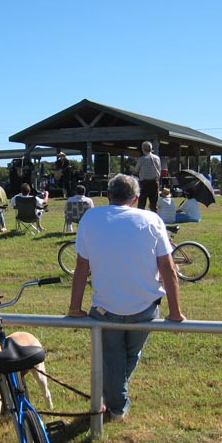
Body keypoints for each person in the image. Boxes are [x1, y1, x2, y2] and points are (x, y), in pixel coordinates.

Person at [67, 174, 185, 422]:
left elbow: (81, 267)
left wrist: (74, 308)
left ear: (108, 195)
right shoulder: (152, 220)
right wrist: (175, 312)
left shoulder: (90, 218)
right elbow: (168, 269)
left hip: (105, 308)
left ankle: (112, 398)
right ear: (137, 198)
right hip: (144, 309)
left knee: (114, 359)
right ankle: (117, 407)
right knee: (128, 357)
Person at [134, 141, 162, 212]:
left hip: (144, 183)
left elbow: (136, 170)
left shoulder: (141, 159)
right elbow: (159, 169)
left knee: (141, 204)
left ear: (143, 149)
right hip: (155, 182)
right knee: (153, 204)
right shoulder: (157, 158)